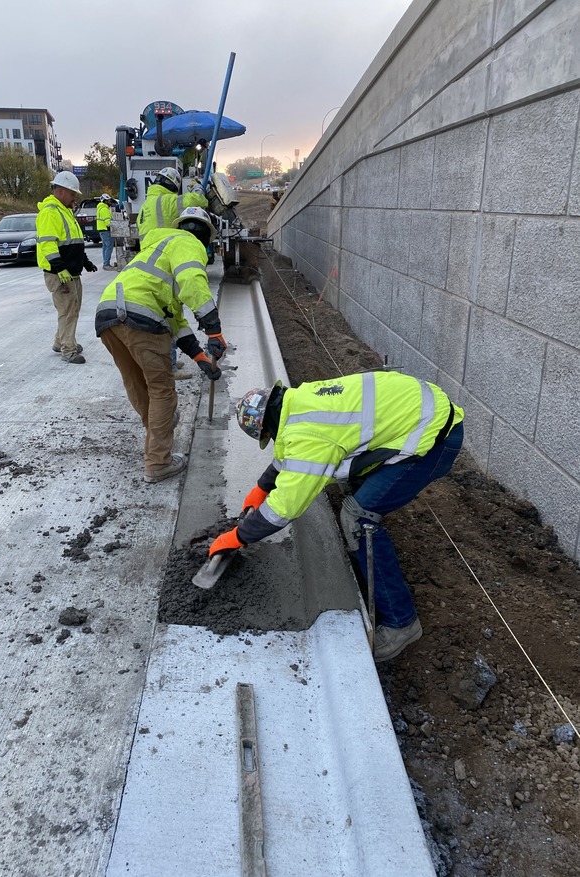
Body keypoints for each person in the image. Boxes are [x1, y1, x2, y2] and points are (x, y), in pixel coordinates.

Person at [208, 372, 464, 662]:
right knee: (354, 486)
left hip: (433, 440)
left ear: (266, 428)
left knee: (357, 518)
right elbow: (291, 452)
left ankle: (401, 623)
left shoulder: (309, 439)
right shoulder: (299, 402)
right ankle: (368, 558)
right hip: (421, 410)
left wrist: (237, 537)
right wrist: (262, 487)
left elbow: (283, 509)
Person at [95, 206, 228, 484]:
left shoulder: (158, 249)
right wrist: (214, 330)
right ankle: (158, 462)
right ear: (206, 237)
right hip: (142, 318)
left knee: (136, 382)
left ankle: (158, 427)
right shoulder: (189, 244)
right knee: (162, 392)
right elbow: (192, 280)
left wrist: (200, 358)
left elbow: (175, 319)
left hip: (108, 315)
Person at [136, 166, 211, 379]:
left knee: (167, 312)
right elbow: (197, 202)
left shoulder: (145, 206)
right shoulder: (167, 201)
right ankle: (169, 366)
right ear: (172, 184)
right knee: (168, 313)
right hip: (167, 258)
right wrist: (197, 188)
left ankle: (169, 358)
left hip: (150, 259)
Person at [36, 171, 98, 364]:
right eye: (72, 194)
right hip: (61, 274)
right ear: (61, 191)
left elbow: (74, 242)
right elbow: (48, 244)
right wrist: (60, 268)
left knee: (71, 309)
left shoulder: (65, 212)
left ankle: (60, 342)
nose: (74, 198)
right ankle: (68, 350)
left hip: (71, 272)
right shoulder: (50, 213)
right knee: (68, 312)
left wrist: (85, 261)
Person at [97, 194, 115, 270]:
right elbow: (108, 222)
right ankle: (106, 264)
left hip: (102, 230)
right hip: (106, 230)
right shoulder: (104, 209)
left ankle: (105, 263)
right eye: (109, 200)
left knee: (105, 247)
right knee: (109, 246)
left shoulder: (100, 208)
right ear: (105, 201)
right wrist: (115, 225)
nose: (110, 202)